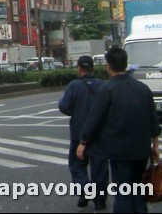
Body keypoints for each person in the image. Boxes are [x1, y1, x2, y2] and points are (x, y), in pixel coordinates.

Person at [77, 46, 161, 213]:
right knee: (137, 189)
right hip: (141, 148)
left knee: (123, 192)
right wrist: (156, 146)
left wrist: (83, 142)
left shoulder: (107, 89)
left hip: (119, 149)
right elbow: (153, 120)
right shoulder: (142, 88)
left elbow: (94, 119)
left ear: (108, 66)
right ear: (125, 64)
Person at [59, 55, 108, 210]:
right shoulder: (103, 85)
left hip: (79, 133)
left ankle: (84, 189)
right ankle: (100, 199)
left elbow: (64, 106)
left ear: (79, 68)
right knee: (99, 166)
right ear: (93, 68)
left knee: (77, 164)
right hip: (99, 133)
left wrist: (77, 110)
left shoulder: (74, 86)